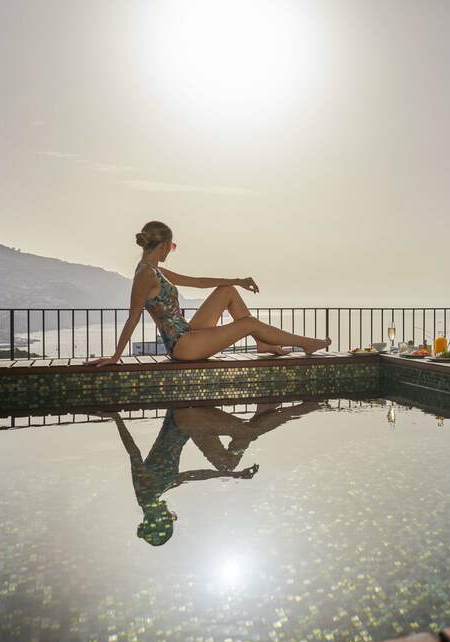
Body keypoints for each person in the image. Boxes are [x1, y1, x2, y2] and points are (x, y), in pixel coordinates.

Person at [85, 220, 330, 365]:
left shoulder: (155, 270)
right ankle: (305, 343)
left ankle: (264, 345)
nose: (170, 251)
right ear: (161, 246)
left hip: (188, 334)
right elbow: (133, 316)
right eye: (170, 246)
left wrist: (237, 280)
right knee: (249, 323)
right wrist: (116, 355)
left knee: (227, 291)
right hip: (183, 346)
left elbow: (199, 282)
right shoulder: (145, 275)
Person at [99, 401, 322, 546]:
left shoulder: (147, 491)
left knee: (250, 431)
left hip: (184, 421)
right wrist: (232, 476)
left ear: (157, 519)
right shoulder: (152, 495)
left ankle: (313, 405)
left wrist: (117, 418)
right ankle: (265, 409)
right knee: (226, 465)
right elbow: (193, 476)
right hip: (189, 429)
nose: (170, 512)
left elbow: (133, 452)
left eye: (167, 517)